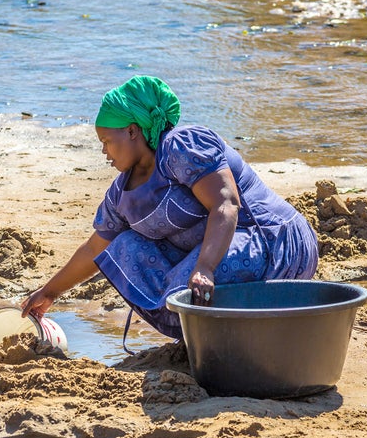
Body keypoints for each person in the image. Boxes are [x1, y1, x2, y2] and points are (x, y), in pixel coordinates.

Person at [22, 75, 318, 344]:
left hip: (272, 243)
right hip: (221, 256)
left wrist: (205, 268)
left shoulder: (180, 146)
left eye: (107, 141)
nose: (104, 152)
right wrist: (49, 292)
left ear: (133, 131)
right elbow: (94, 248)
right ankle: (210, 336)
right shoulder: (120, 194)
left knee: (183, 290)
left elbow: (225, 204)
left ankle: (224, 334)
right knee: (123, 246)